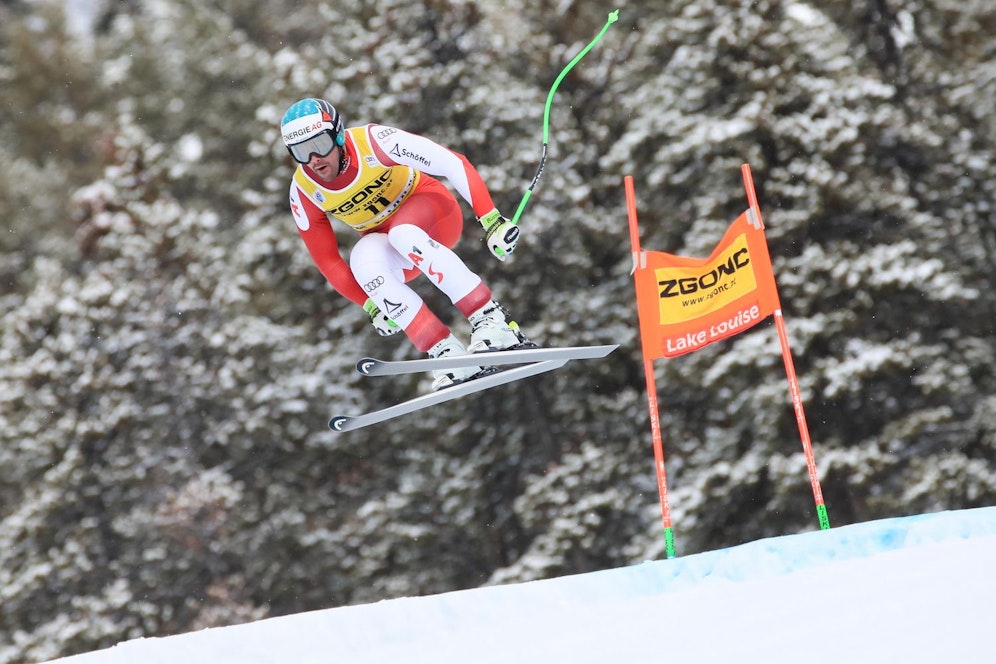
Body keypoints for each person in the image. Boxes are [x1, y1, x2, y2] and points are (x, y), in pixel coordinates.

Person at [279, 97, 531, 390]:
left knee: (403, 234)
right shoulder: (304, 190)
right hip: (396, 247)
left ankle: (492, 321)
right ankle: (446, 352)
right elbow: (328, 261)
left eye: (319, 146)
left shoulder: (373, 142)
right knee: (363, 257)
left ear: (337, 135)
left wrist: (492, 221)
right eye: (301, 152)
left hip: (435, 215)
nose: (314, 160)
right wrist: (372, 307)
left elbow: (452, 163)